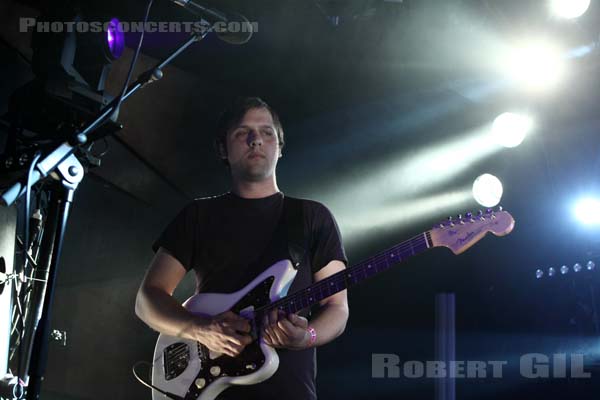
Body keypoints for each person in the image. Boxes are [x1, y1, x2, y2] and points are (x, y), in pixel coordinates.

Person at [135, 97, 349, 399]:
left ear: (280, 147)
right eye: (242, 132)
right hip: (209, 388)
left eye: (267, 132)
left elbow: (337, 307)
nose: (255, 140)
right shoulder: (198, 216)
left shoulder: (312, 217)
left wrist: (308, 336)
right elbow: (148, 299)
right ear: (223, 148)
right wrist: (200, 329)